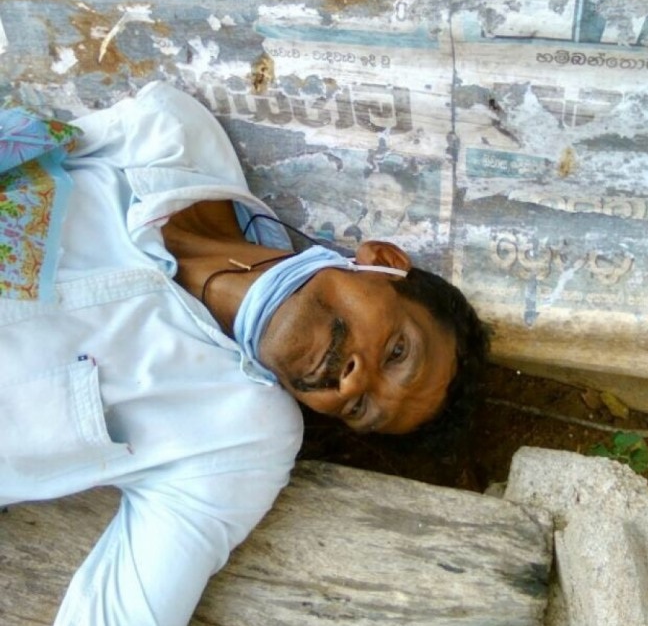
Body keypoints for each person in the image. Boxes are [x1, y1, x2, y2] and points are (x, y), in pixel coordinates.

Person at [0, 81, 488, 626]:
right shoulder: (172, 142)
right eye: (398, 351)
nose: (353, 382)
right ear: (383, 263)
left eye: (359, 407)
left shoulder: (238, 436)